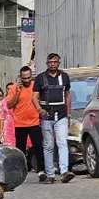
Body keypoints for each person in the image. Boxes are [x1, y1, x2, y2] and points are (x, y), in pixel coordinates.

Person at [33, 52, 74, 184]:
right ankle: (50, 174)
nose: (52, 64)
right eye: (50, 62)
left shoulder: (65, 77)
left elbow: (67, 95)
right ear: (47, 63)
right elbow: (34, 97)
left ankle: (64, 172)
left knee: (62, 143)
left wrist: (68, 114)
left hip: (61, 116)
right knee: (48, 146)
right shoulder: (40, 78)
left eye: (55, 62)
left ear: (58, 63)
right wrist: (40, 110)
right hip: (46, 117)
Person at [7, 65, 44, 175]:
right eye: (24, 78)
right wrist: (17, 93)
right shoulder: (14, 88)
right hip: (20, 123)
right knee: (20, 149)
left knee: (38, 146)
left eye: (29, 77)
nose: (27, 80)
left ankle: (41, 169)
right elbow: (9, 105)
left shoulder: (36, 86)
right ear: (20, 77)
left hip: (34, 122)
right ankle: (21, 171)